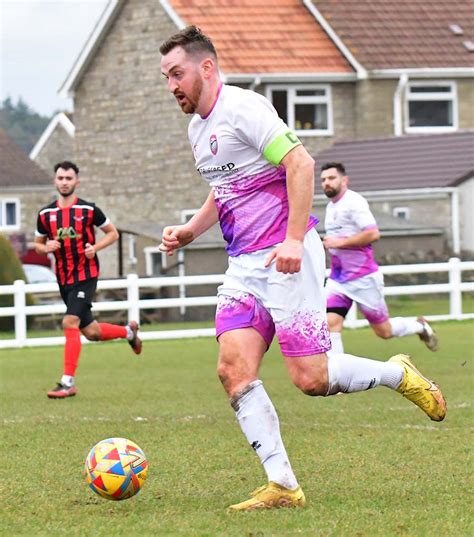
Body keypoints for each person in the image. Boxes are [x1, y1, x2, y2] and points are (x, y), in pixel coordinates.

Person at [158, 26, 446, 511]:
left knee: (310, 378)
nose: (171, 87)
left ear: (206, 67)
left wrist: (293, 238)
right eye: (166, 77)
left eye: (176, 74)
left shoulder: (243, 108)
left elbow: (300, 163)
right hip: (244, 265)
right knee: (233, 370)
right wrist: (191, 228)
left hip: (288, 255)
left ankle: (397, 373)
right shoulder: (198, 129)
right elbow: (226, 185)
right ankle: (283, 486)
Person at [34, 161, 142, 399]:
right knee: (90, 332)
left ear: (77, 182)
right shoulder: (45, 214)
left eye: (69, 178)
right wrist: (46, 247)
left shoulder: (89, 210)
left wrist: (96, 246)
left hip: (85, 276)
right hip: (63, 279)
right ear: (55, 181)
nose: (64, 182)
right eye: (60, 178)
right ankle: (128, 333)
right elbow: (38, 245)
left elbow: (112, 233)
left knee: (69, 322)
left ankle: (67, 382)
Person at [321, 162, 438, 356]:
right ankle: (337, 377)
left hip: (363, 278)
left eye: (331, 178)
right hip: (338, 279)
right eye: (323, 179)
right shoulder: (330, 207)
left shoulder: (354, 203)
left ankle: (419, 326)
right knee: (329, 324)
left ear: (344, 180)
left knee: (384, 331)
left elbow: (373, 234)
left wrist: (338, 243)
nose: (326, 183)